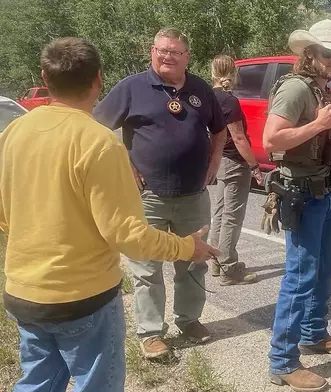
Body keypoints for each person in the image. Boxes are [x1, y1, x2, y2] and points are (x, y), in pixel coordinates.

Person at [0, 37, 218, 392]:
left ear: (44, 76)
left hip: (24, 293)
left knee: (38, 381)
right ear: (99, 79)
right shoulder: (98, 142)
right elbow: (126, 235)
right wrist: (185, 248)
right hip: (81, 299)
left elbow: (5, 212)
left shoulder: (13, 132)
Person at [93, 28, 227, 359]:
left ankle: (189, 320)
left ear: (187, 57)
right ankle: (151, 333)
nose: (166, 56)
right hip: (147, 197)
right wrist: (124, 163)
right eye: (160, 50)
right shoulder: (132, 87)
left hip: (193, 195)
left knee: (193, 261)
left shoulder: (200, 89)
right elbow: (96, 128)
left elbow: (220, 130)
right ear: (152, 52)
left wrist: (214, 161)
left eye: (174, 52)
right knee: (146, 268)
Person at [262, 19, 331, 391]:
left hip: (323, 192)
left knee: (327, 266)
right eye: (328, 53)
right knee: (300, 278)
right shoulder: (295, 89)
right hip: (301, 194)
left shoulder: (322, 90)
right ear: (310, 54)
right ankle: (283, 361)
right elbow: (272, 138)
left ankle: (314, 333)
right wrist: (318, 125)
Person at [208, 55, 263, 285]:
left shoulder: (208, 97)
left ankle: (215, 262)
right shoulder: (229, 101)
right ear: (233, 73)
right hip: (234, 162)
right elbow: (239, 138)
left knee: (220, 213)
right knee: (232, 216)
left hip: (219, 160)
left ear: (212, 72)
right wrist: (255, 166)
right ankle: (229, 268)